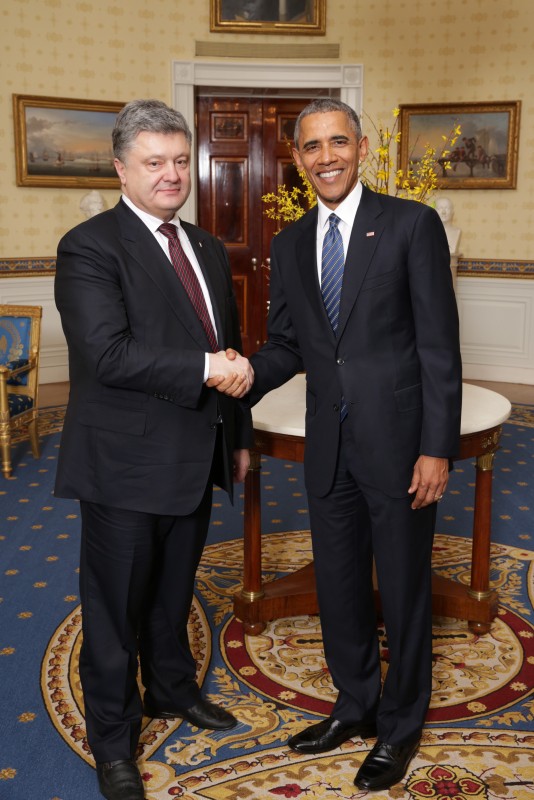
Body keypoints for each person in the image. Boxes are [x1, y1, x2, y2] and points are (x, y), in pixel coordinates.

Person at [213, 98, 462, 791]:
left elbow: (439, 346)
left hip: (401, 445)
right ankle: (354, 706)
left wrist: (436, 447)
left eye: (338, 142)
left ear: (361, 148)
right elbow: (290, 344)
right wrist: (244, 373)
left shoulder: (411, 224)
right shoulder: (291, 243)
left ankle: (401, 725)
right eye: (313, 147)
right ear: (297, 158)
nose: (327, 157)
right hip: (328, 443)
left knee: (404, 589)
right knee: (340, 584)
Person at [54, 99, 254, 800]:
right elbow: (107, 354)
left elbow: (227, 344)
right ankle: (113, 741)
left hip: (197, 455)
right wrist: (207, 369)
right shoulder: (88, 246)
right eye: (154, 163)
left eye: (179, 161)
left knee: (172, 596)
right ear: (121, 169)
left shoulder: (205, 246)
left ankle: (171, 689)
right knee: (114, 614)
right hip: (124, 466)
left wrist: (238, 437)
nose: (171, 175)